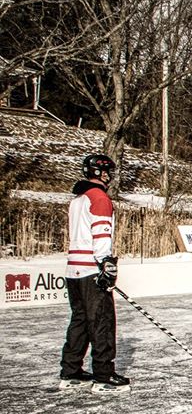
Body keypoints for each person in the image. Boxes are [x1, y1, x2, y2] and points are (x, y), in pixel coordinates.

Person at [60, 154, 131, 394]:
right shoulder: (100, 198)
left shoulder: (78, 199)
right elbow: (101, 234)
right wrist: (106, 265)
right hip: (92, 269)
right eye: (108, 172)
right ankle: (103, 376)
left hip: (74, 269)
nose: (110, 176)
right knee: (102, 322)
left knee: (80, 320)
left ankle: (71, 371)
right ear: (101, 173)